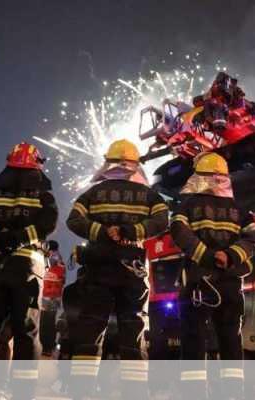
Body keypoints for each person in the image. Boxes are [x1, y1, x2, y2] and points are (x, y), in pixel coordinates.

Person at [66, 139, 169, 399]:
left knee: (91, 328)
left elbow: (74, 220)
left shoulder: (92, 193)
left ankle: (82, 392)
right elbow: (162, 220)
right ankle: (134, 393)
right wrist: (131, 231)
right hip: (132, 266)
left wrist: (101, 232)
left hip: (98, 265)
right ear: (136, 165)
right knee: (132, 329)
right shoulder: (149, 195)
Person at [0, 143, 58, 400]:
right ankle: (22, 394)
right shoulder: (42, 195)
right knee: (25, 333)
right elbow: (47, 224)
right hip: (26, 270)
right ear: (37, 163)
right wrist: (19, 239)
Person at [169, 152, 255, 400]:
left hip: (198, 280)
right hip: (230, 282)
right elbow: (252, 239)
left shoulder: (187, 205)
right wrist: (229, 256)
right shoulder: (240, 210)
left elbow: (178, 230)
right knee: (230, 339)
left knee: (194, 336)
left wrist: (206, 256)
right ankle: (233, 394)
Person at [40, 240, 65, 358]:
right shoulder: (59, 259)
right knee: (49, 320)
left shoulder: (53, 257)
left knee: (46, 321)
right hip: (55, 295)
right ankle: (49, 345)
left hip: (49, 295)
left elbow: (47, 270)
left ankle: (47, 347)